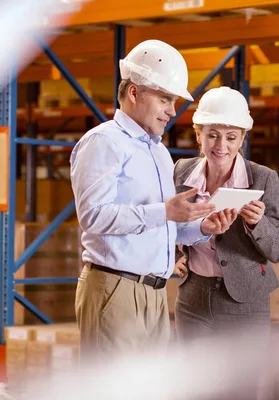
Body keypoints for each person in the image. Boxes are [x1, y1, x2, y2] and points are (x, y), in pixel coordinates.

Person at [69, 40, 236, 361]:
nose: (172, 111)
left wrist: (202, 226)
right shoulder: (104, 142)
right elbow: (93, 216)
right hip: (115, 288)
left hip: (156, 293)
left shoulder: (157, 151)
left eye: (173, 101)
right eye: (164, 99)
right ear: (134, 93)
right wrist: (164, 211)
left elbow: (162, 226)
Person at [172, 86, 279, 343]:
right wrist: (175, 256)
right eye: (212, 135)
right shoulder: (181, 171)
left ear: (242, 139)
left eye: (231, 137)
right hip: (193, 298)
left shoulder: (263, 178)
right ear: (198, 135)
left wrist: (258, 223)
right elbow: (170, 222)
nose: (221, 146)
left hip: (244, 301)